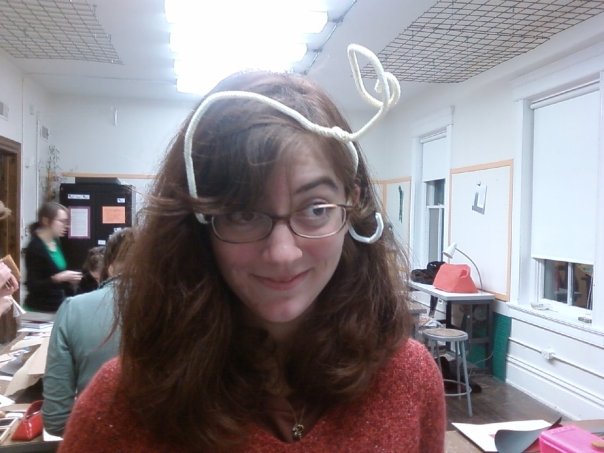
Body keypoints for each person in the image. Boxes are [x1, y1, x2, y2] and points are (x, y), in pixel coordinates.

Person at [59, 45, 445, 452]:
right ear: (198, 222)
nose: (282, 253)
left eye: (315, 209)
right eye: (243, 214)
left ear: (352, 204)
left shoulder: (410, 380)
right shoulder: (120, 406)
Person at [43, 228, 134, 436]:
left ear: (110, 267)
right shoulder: (183, 311)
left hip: (94, 440)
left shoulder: (73, 309)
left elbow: (56, 420)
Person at [24, 202, 82, 312]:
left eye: (66, 222)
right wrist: (58, 278)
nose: (66, 226)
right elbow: (33, 285)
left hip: (57, 305)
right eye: (62, 221)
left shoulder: (56, 241)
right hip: (39, 309)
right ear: (46, 221)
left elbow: (58, 274)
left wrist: (70, 279)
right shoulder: (35, 247)